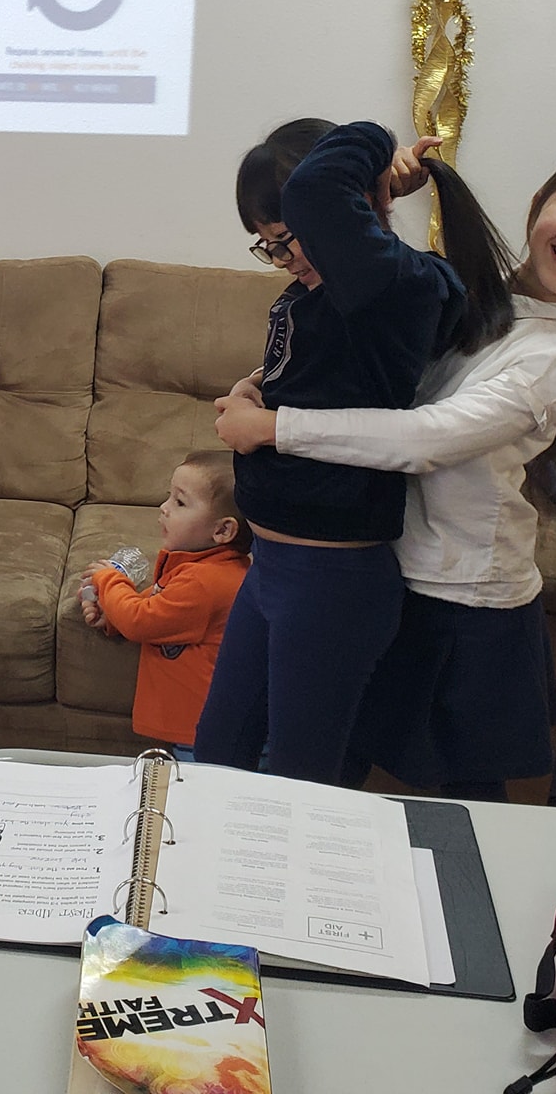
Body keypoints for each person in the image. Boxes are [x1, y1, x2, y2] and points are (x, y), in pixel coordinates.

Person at [215, 142, 556, 799]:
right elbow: (365, 355)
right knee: (336, 760)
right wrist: (264, 382)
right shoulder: (471, 288)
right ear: (538, 206)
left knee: (458, 796)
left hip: (460, 593)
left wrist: (274, 428)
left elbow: (428, 438)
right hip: (384, 560)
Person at [193, 119, 515, 785]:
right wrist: (254, 389)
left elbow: (318, 191)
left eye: (291, 238)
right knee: (218, 751)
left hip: (331, 581)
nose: (287, 258)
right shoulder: (320, 293)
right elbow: (322, 376)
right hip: (270, 568)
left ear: (348, 207)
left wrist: (380, 152)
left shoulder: (395, 285)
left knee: (302, 777)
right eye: (270, 246)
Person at [79, 450, 253, 754]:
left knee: (193, 784)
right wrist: (111, 617)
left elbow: (140, 620)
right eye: (169, 496)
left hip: (200, 734)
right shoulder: (197, 568)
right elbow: (155, 608)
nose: (164, 507)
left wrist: (109, 580)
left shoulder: (205, 583)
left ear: (222, 530)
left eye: (180, 502)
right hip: (191, 726)